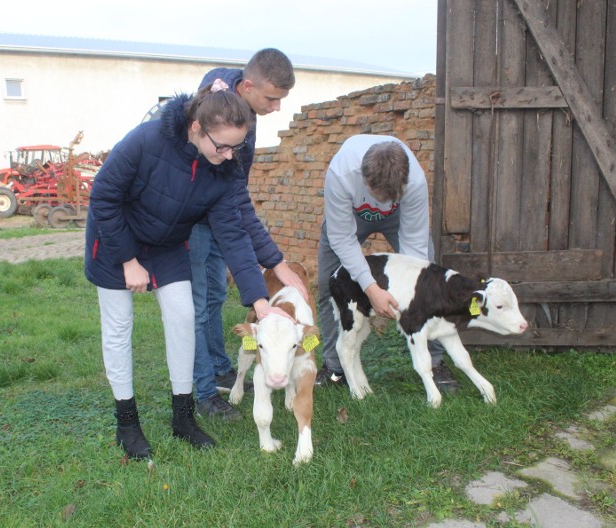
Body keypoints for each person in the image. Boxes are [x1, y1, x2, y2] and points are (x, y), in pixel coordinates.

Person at [84, 84, 292, 461]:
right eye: (222, 146)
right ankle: (127, 423)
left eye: (237, 148)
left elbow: (233, 234)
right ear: (196, 128)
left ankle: (183, 417)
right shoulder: (146, 141)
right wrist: (128, 260)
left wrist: (261, 303)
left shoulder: (225, 169)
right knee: (118, 327)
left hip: (166, 245)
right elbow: (103, 195)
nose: (229, 155)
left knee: (183, 317)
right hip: (114, 241)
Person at [189, 48, 307, 420]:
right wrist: (272, 261)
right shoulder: (214, 105)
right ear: (248, 85)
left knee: (216, 295)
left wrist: (274, 261)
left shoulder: (245, 112)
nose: (275, 108)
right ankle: (204, 390)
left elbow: (236, 193)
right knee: (196, 304)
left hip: (219, 214)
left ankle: (220, 367)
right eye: (271, 98)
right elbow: (232, 192)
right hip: (191, 219)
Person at [315, 134, 460, 394]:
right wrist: (372, 289)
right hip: (350, 217)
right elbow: (342, 238)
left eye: (390, 197)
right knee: (329, 285)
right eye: (378, 195)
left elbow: (415, 255)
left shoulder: (414, 181)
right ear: (364, 178)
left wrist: (409, 297)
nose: (382, 203)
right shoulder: (341, 173)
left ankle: (435, 362)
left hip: (398, 217)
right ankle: (335, 367)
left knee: (430, 283)